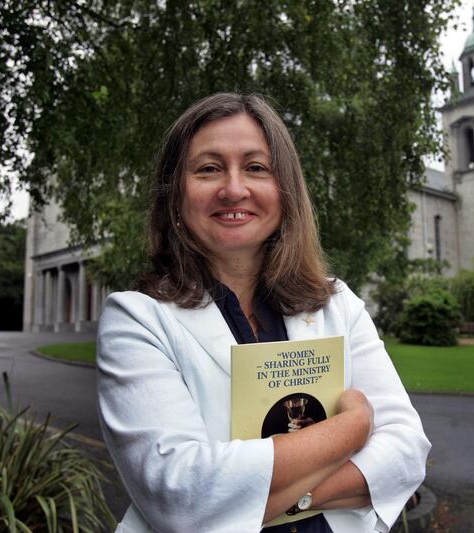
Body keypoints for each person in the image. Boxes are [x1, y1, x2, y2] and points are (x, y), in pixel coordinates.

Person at [97, 93, 430, 533]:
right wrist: (353, 429)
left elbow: (407, 449)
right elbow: (180, 493)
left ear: (285, 189)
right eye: (209, 168)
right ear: (175, 193)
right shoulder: (137, 319)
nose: (234, 189)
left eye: (256, 167)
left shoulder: (337, 305)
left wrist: (294, 498)